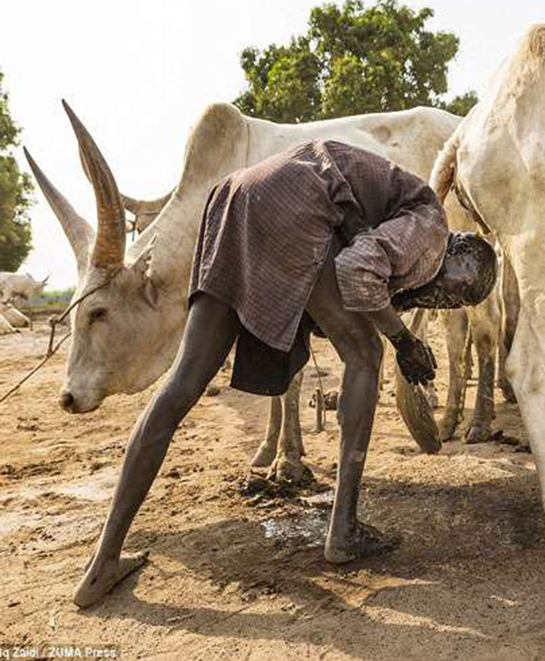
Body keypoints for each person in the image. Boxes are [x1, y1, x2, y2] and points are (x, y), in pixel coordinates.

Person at [73, 139, 497, 608]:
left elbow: (348, 272)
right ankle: (344, 531)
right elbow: (356, 267)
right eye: (452, 296)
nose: (441, 305)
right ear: (455, 262)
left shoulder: (404, 227)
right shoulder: (432, 226)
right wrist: (403, 341)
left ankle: (102, 564)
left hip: (235, 198)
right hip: (296, 198)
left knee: (182, 383)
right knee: (365, 356)